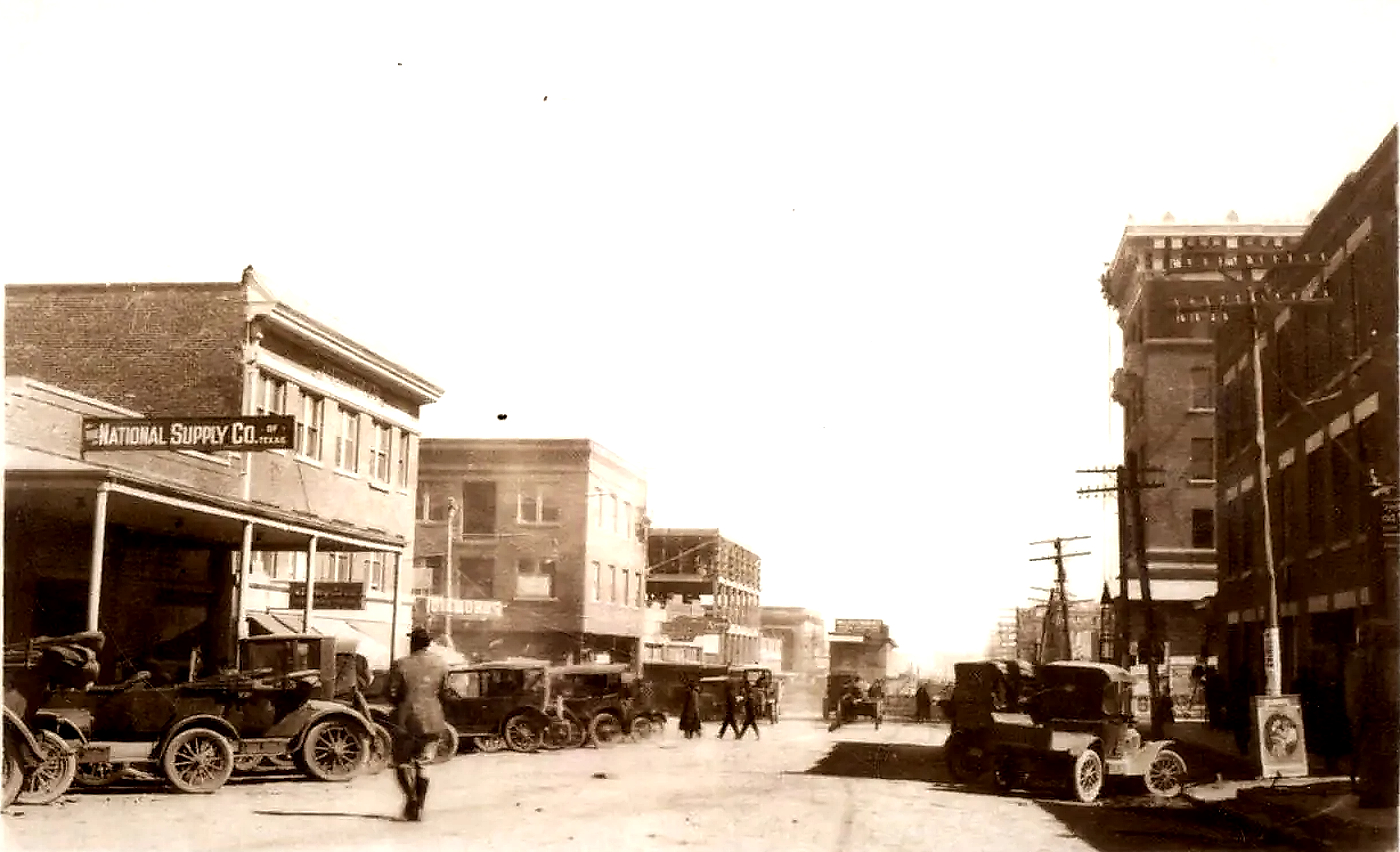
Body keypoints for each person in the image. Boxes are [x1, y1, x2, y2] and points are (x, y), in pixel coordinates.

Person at [385, 626, 452, 822]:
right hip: (432, 720)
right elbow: (445, 693)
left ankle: (412, 800)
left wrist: (400, 704)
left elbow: (389, 692)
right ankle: (420, 805)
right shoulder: (441, 664)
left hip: (406, 721)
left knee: (402, 762)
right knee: (424, 763)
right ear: (429, 643)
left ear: (412, 643)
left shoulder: (401, 664)